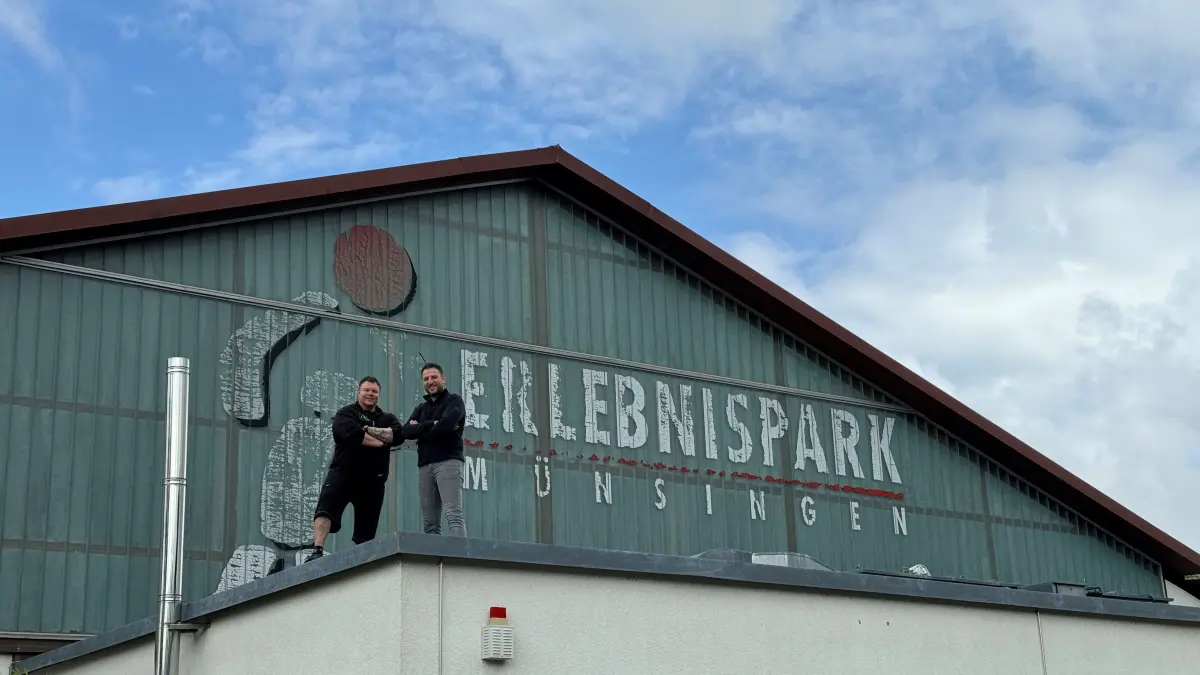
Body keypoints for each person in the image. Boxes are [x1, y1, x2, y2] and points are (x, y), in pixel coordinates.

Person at [305, 376, 401, 562]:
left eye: (374, 391)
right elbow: (349, 433)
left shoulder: (387, 418)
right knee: (326, 508)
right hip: (344, 472)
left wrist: (365, 431)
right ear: (359, 392)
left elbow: (397, 435)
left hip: (373, 479)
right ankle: (317, 549)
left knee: (367, 526)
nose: (370, 394)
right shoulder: (346, 413)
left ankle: (363, 560)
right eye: (366, 390)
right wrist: (381, 442)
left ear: (379, 395)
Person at [366, 363, 467, 537]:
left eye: (434, 377)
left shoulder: (455, 400)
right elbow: (406, 431)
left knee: (453, 515)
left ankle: (459, 561)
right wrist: (433, 425)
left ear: (443, 379)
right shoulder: (422, 408)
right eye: (426, 379)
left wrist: (420, 427)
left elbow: (447, 424)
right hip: (425, 465)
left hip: (448, 462)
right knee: (429, 523)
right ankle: (434, 562)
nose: (430, 381)